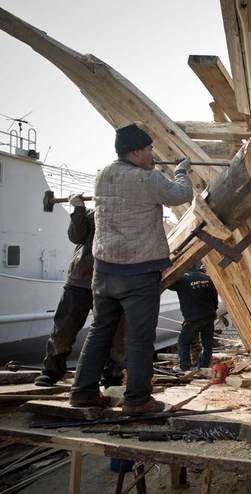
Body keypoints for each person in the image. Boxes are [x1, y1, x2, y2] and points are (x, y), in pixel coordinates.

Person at [70, 123, 193, 415]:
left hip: (104, 271)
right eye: (149, 149)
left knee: (100, 331)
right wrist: (181, 171)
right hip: (139, 271)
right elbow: (181, 194)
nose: (153, 154)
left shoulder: (103, 176)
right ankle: (137, 400)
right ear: (136, 151)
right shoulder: (147, 179)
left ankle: (82, 392)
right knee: (140, 337)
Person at [35, 197, 124, 387]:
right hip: (81, 280)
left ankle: (112, 375)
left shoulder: (130, 215)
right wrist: (78, 209)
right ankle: (52, 370)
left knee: (116, 333)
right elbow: (76, 236)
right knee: (64, 328)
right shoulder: (91, 214)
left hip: (112, 282)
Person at [168, 266, 219, 371]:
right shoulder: (207, 279)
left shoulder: (182, 280)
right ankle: (203, 367)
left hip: (194, 318)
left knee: (183, 342)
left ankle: (185, 367)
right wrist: (213, 310)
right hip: (209, 315)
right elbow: (215, 297)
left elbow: (167, 283)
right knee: (207, 344)